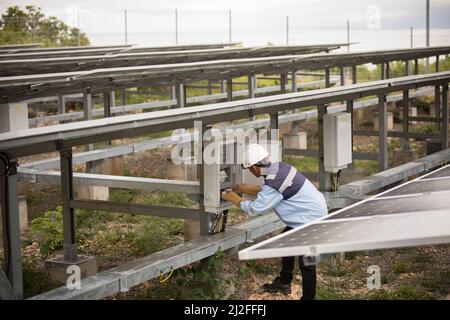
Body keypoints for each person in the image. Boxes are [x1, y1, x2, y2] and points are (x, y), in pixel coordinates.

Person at [222, 143, 327, 300]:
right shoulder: (278, 167)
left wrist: (234, 198)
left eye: (249, 168)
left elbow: (256, 209)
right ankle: (284, 282)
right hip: (310, 212)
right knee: (286, 242)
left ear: (254, 167)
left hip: (309, 219)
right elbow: (269, 190)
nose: (251, 171)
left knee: (306, 263)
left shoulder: (273, 181)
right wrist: (245, 188)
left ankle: (308, 298)